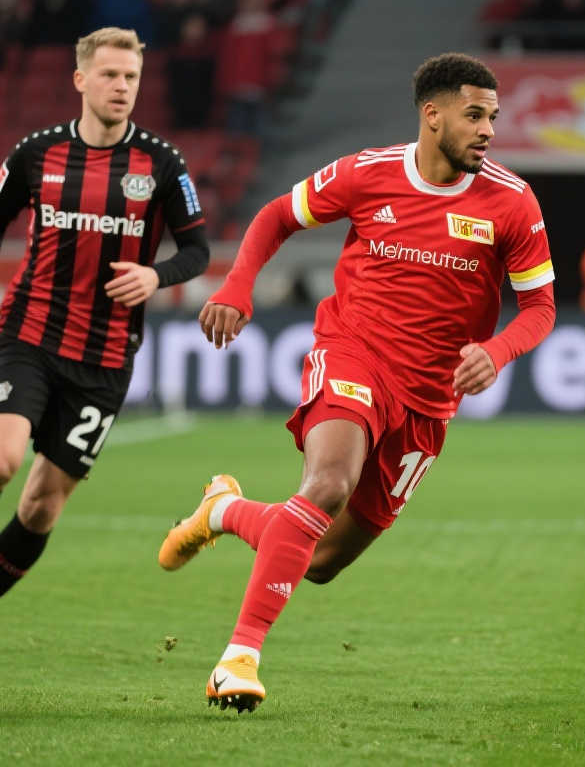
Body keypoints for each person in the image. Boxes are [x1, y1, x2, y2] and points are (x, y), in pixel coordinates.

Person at [157, 52, 557, 713]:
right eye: (474, 115)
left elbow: (540, 308)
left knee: (319, 562)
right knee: (328, 484)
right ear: (432, 115)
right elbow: (277, 216)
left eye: (493, 117)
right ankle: (239, 658)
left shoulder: (511, 202)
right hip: (355, 354)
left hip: (429, 399)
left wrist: (498, 350)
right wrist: (236, 285)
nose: (488, 130)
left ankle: (223, 511)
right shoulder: (368, 173)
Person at [0, 27, 211, 655]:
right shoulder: (37, 153)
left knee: (42, 505)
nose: (121, 87)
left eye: (131, 77)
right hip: (31, 333)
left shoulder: (162, 163)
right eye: (110, 75)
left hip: (105, 357)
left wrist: (156, 275)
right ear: (80, 80)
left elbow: (198, 248)